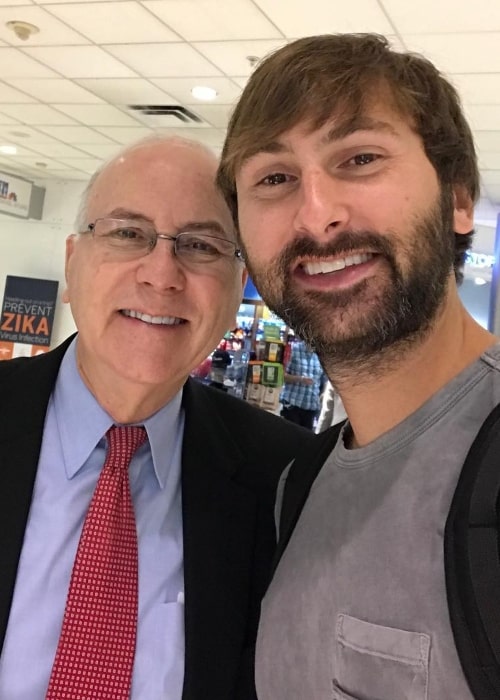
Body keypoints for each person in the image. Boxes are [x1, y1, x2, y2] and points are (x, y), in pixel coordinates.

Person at [217, 33, 500, 700]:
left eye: (360, 157)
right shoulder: (296, 487)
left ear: (459, 199)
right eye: (275, 178)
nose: (318, 216)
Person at [0, 135, 314, 700]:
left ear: (238, 286)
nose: (162, 276)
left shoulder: (286, 479)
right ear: (73, 264)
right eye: (127, 233)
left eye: (201, 246)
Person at [280, 337, 324, 430]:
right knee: (290, 439)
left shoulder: (321, 356)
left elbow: (322, 382)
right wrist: (300, 379)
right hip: (293, 405)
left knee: (305, 441)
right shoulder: (294, 349)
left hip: (311, 407)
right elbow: (282, 376)